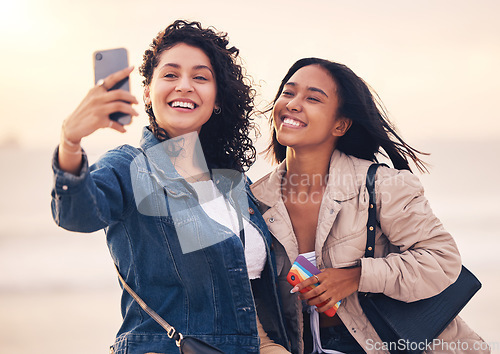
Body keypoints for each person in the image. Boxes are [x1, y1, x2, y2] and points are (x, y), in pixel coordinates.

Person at [51, 20, 290, 353]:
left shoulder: (233, 182)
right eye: (170, 74)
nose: (185, 86)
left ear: (217, 98)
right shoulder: (129, 166)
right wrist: (70, 141)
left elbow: (245, 291)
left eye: (200, 77)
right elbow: (77, 214)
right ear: (147, 91)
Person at [250, 58, 488, 353]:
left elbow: (442, 260)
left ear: (340, 124)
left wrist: (356, 277)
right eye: (288, 93)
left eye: (312, 98)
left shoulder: (383, 185)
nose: (294, 104)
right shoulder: (254, 201)